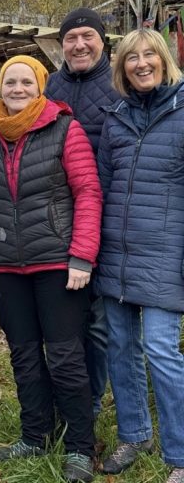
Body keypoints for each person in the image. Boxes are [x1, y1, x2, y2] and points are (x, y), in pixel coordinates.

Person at [0, 55, 101, 482]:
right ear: (0, 87)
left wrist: (82, 256)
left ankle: (80, 446)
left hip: (59, 265)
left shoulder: (65, 129)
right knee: (23, 358)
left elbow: (89, 193)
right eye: (10, 82)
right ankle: (35, 434)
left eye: (26, 81)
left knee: (64, 358)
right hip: (7, 267)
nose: (17, 89)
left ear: (41, 86)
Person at [94, 29, 184, 483]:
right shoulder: (116, 117)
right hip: (117, 252)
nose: (142, 63)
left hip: (166, 254)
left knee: (162, 350)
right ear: (122, 67)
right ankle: (135, 434)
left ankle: (180, 454)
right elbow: (104, 186)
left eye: (150, 55)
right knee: (122, 347)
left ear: (165, 60)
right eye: (132, 58)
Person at [45, 7, 120, 417]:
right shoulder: (50, 85)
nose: (78, 45)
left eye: (87, 36)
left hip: (107, 216)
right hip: (56, 219)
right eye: (70, 39)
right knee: (64, 317)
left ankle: (91, 401)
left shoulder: (120, 83)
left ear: (102, 40)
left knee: (99, 321)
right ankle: (65, 399)